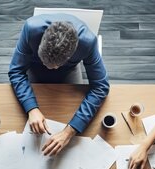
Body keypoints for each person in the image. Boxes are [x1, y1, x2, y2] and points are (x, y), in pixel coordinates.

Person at [8, 14, 110, 156]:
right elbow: (16, 71)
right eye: (47, 62)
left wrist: (69, 131)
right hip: (34, 69)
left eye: (56, 65)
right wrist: (32, 108)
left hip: (68, 73)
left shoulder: (88, 42)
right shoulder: (30, 29)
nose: (51, 68)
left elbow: (101, 87)